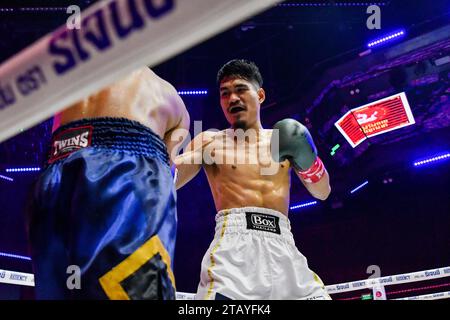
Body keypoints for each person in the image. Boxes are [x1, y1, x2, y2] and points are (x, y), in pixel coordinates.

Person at [27, 67, 190, 300]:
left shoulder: (66, 78)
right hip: (126, 173)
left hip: (53, 175)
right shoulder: (168, 95)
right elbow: (168, 175)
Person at [175, 59, 331, 300]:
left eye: (240, 89)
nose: (233, 99)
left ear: (260, 95)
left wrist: (309, 157)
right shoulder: (210, 142)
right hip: (233, 251)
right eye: (225, 94)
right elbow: (170, 179)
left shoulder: (283, 139)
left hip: (284, 247)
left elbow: (322, 192)